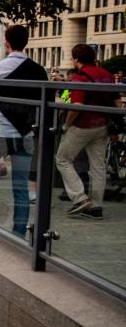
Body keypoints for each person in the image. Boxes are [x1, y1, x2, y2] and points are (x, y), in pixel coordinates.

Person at [0, 25, 48, 238]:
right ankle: (19, 233)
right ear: (26, 42)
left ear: (6, 43)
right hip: (25, 135)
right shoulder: (38, 70)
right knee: (21, 188)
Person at [56, 44, 122, 219]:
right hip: (102, 126)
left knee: (62, 159)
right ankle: (96, 206)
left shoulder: (80, 77)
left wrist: (66, 125)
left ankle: (79, 198)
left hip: (82, 125)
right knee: (98, 166)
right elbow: (117, 103)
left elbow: (76, 106)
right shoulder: (107, 74)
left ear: (76, 59)